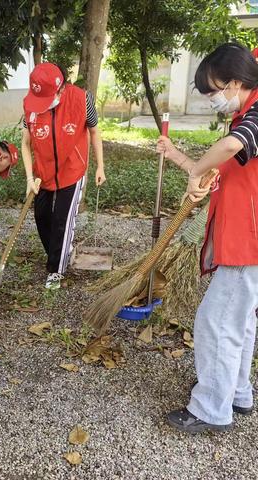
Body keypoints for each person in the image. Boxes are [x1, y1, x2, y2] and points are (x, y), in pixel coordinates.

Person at [156, 43, 258, 433]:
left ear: (235, 81)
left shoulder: (255, 115)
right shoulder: (245, 111)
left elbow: (233, 146)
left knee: (216, 322)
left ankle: (211, 409)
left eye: (215, 90)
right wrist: (184, 161)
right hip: (242, 235)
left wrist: (194, 169)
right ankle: (236, 392)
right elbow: (226, 170)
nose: (214, 98)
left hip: (247, 242)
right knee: (240, 320)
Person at [21, 62, 105, 290]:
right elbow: (26, 143)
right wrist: (30, 178)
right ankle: (59, 254)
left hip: (72, 169)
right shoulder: (30, 105)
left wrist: (100, 167)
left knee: (62, 220)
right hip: (43, 173)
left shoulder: (81, 99)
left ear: (61, 89)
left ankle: (55, 270)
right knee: (41, 216)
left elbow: (95, 132)